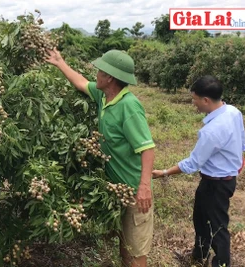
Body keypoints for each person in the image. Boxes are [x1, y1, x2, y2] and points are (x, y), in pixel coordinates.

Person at [46, 48, 155, 267]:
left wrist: (144, 186)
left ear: (110, 77)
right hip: (117, 190)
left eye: (100, 70)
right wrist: (60, 62)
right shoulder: (104, 96)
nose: (96, 73)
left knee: (136, 254)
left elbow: (148, 148)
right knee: (125, 247)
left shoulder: (129, 106)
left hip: (134, 191)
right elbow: (80, 82)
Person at [152, 75, 245, 267]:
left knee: (217, 226)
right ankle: (198, 256)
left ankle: (222, 263)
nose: (193, 103)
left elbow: (193, 163)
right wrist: (238, 158)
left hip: (216, 183)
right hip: (223, 180)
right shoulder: (233, 111)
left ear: (205, 100)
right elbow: (241, 141)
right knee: (201, 218)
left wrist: (164, 172)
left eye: (194, 99)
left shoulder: (211, 131)